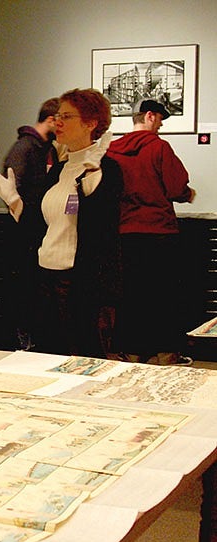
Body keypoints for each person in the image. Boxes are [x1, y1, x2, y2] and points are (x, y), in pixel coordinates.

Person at [0, 88, 123, 358]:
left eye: (66, 116)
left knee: (82, 360)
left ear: (91, 123)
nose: (57, 122)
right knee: (48, 358)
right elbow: (39, 225)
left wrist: (92, 172)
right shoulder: (59, 170)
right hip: (46, 278)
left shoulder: (108, 169)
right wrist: (13, 200)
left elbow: (98, 223)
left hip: (81, 284)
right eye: (57, 115)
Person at [106, 98, 196, 366]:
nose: (160, 125)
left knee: (131, 295)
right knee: (164, 296)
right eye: (159, 119)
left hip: (125, 233)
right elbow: (175, 187)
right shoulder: (159, 147)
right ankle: (166, 353)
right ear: (149, 117)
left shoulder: (111, 151)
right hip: (159, 233)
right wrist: (187, 194)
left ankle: (132, 352)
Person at [1, 97, 60, 350]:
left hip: (38, 231)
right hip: (27, 233)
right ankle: (25, 341)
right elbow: (15, 188)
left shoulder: (44, 148)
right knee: (27, 290)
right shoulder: (26, 147)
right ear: (51, 120)